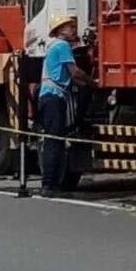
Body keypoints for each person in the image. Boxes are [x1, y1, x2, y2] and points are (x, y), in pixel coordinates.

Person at [37, 13, 91, 198]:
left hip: (49, 97)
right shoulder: (62, 46)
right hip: (54, 98)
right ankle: (49, 185)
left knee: (55, 140)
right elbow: (74, 72)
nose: (73, 29)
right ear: (59, 30)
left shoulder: (53, 47)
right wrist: (92, 83)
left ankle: (50, 183)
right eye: (69, 26)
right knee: (54, 141)